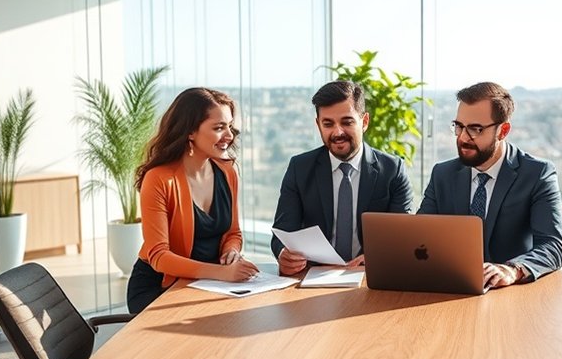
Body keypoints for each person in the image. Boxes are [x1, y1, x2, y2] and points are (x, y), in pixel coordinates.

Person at [418, 81, 562, 289]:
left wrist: (513, 269)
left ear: (503, 131)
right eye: (459, 126)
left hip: (510, 297)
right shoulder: (442, 174)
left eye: (475, 129)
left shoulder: (537, 174)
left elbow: (554, 246)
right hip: (449, 292)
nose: (462, 138)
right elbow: (418, 235)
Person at [126, 87, 259, 313]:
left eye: (229, 126)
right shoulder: (159, 179)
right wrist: (221, 273)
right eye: (219, 128)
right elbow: (159, 256)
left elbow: (233, 233)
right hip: (159, 287)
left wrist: (231, 252)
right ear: (190, 131)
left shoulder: (227, 172)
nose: (229, 135)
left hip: (206, 284)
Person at [271, 80, 414, 275]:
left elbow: (403, 236)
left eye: (347, 122)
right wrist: (283, 254)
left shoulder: (392, 170)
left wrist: (379, 256)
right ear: (318, 124)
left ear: (364, 122)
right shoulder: (299, 168)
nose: (337, 132)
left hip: (370, 276)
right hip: (313, 277)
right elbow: (282, 232)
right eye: (328, 124)